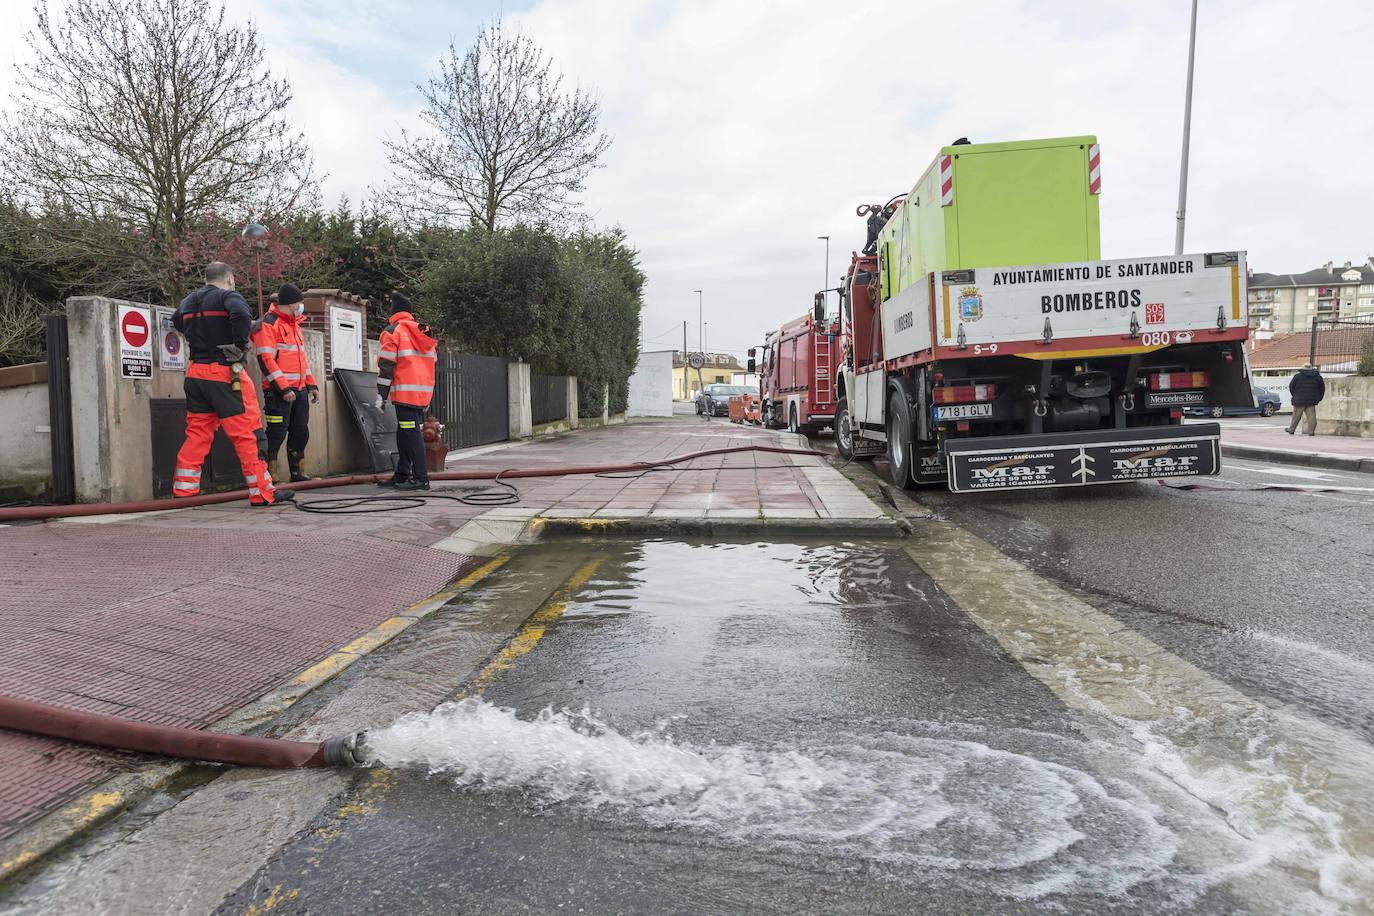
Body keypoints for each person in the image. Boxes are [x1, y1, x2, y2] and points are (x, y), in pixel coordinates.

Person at [170, 262, 292, 506]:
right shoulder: (229, 296)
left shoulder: (188, 301)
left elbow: (177, 321)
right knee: (247, 432)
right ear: (228, 278)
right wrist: (239, 344)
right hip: (225, 374)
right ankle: (262, 492)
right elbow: (240, 314)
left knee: (197, 433)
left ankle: (184, 492)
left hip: (195, 374)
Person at [251, 283, 319, 482]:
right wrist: (282, 387)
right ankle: (268, 476)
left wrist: (311, 385)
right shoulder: (268, 324)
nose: (301, 307)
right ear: (290, 304)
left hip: (298, 391)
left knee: (300, 432)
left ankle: (298, 473)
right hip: (278, 392)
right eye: (299, 303)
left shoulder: (293, 325)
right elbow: (266, 359)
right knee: (276, 434)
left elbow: (302, 361)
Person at [375, 293, 438, 490]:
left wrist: (381, 395)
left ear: (393, 312)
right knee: (405, 434)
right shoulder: (423, 332)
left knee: (411, 436)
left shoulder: (392, 331)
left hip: (404, 395)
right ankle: (402, 474)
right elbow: (432, 363)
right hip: (421, 394)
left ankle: (421, 478)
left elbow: (387, 365)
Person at [1287, 364, 1325, 436]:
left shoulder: (1297, 376)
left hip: (1299, 399)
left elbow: (1291, 386)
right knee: (1311, 416)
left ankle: (1292, 429)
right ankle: (1311, 431)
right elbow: (1322, 388)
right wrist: (1319, 398)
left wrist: (1295, 395)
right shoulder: (1317, 377)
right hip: (1311, 399)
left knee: (1296, 415)